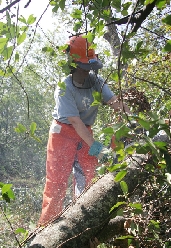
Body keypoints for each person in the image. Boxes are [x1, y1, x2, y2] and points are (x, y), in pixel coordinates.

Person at [38, 34, 131, 226]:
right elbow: (75, 121)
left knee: (87, 177)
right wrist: (98, 149)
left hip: (85, 133)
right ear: (74, 62)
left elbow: (114, 102)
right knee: (56, 185)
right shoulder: (64, 87)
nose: (87, 69)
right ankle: (45, 229)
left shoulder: (96, 82)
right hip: (63, 133)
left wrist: (131, 117)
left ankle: (79, 224)